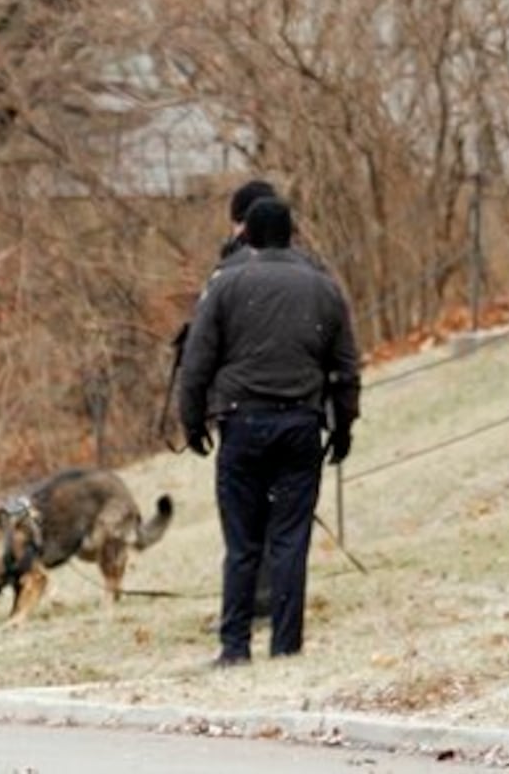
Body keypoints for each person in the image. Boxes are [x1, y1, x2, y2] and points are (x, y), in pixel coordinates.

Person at [178, 196, 360, 666]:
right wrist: (343, 428)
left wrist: (192, 421)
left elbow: (197, 362)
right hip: (300, 423)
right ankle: (286, 645)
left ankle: (235, 646)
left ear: (249, 236)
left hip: (241, 422)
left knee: (242, 543)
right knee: (290, 540)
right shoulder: (323, 288)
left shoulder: (226, 285)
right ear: (292, 234)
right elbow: (344, 367)